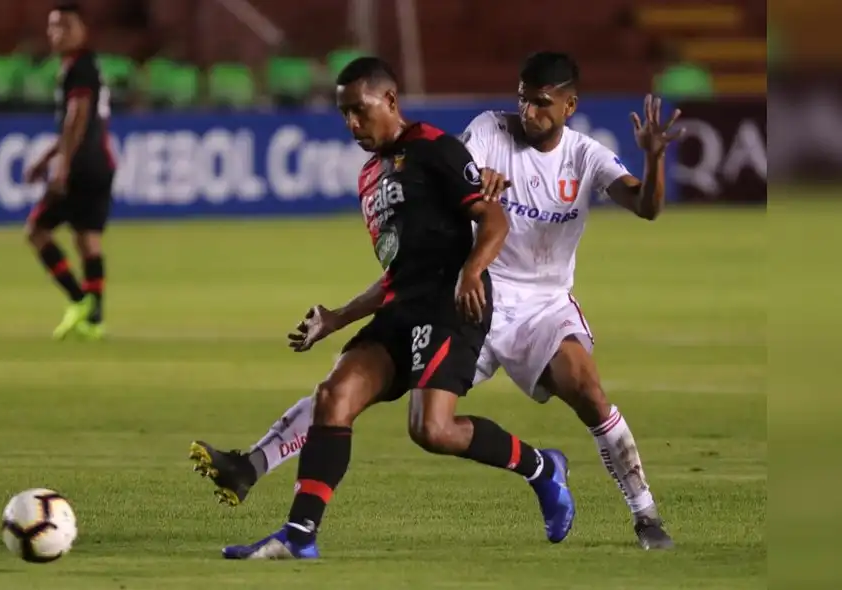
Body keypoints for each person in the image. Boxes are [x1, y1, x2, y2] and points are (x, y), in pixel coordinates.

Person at [191, 52, 684, 551]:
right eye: (523, 99)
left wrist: (655, 157)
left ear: (569, 105)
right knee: (372, 402)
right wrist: (478, 185)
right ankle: (258, 470)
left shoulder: (585, 156)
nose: (529, 112)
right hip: (469, 297)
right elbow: (461, 181)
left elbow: (645, 206)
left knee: (588, 393)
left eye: (541, 103)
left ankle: (645, 516)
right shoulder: (488, 131)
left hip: (538, 304)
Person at [24, 2, 115, 341]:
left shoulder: (78, 68)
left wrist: (60, 165)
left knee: (36, 231)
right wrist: (47, 157)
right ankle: (95, 320)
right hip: (101, 163)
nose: (56, 33)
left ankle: (78, 300)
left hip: (79, 166)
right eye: (52, 26)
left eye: (65, 26)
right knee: (88, 240)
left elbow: (77, 116)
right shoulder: (90, 66)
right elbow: (78, 121)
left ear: (83, 31)